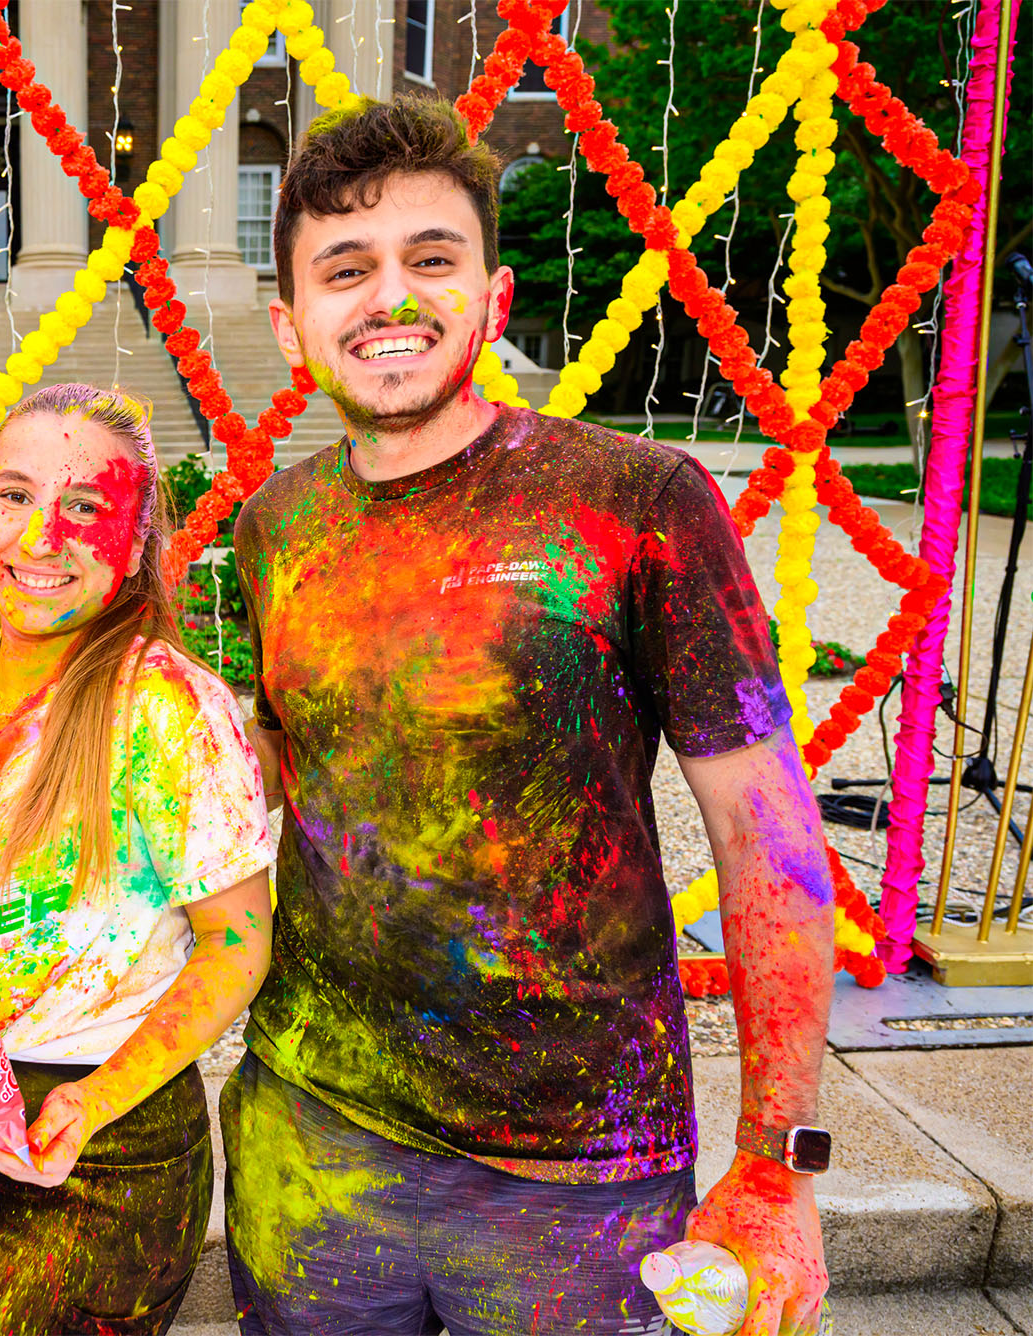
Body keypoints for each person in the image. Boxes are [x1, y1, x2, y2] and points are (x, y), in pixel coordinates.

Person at [226, 96, 834, 1336]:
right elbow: (279, 786)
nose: (390, 297)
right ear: (294, 328)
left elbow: (770, 844)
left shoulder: (634, 500)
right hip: (309, 1136)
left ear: (492, 297)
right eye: (347, 270)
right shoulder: (272, 527)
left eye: (429, 260)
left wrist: (779, 1162)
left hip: (579, 1178)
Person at [0, 384, 274, 1335]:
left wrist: (97, 1098)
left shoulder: (170, 713)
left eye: (85, 507)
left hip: (105, 1147)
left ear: (133, 546)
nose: (42, 536)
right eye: (15, 494)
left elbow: (237, 946)